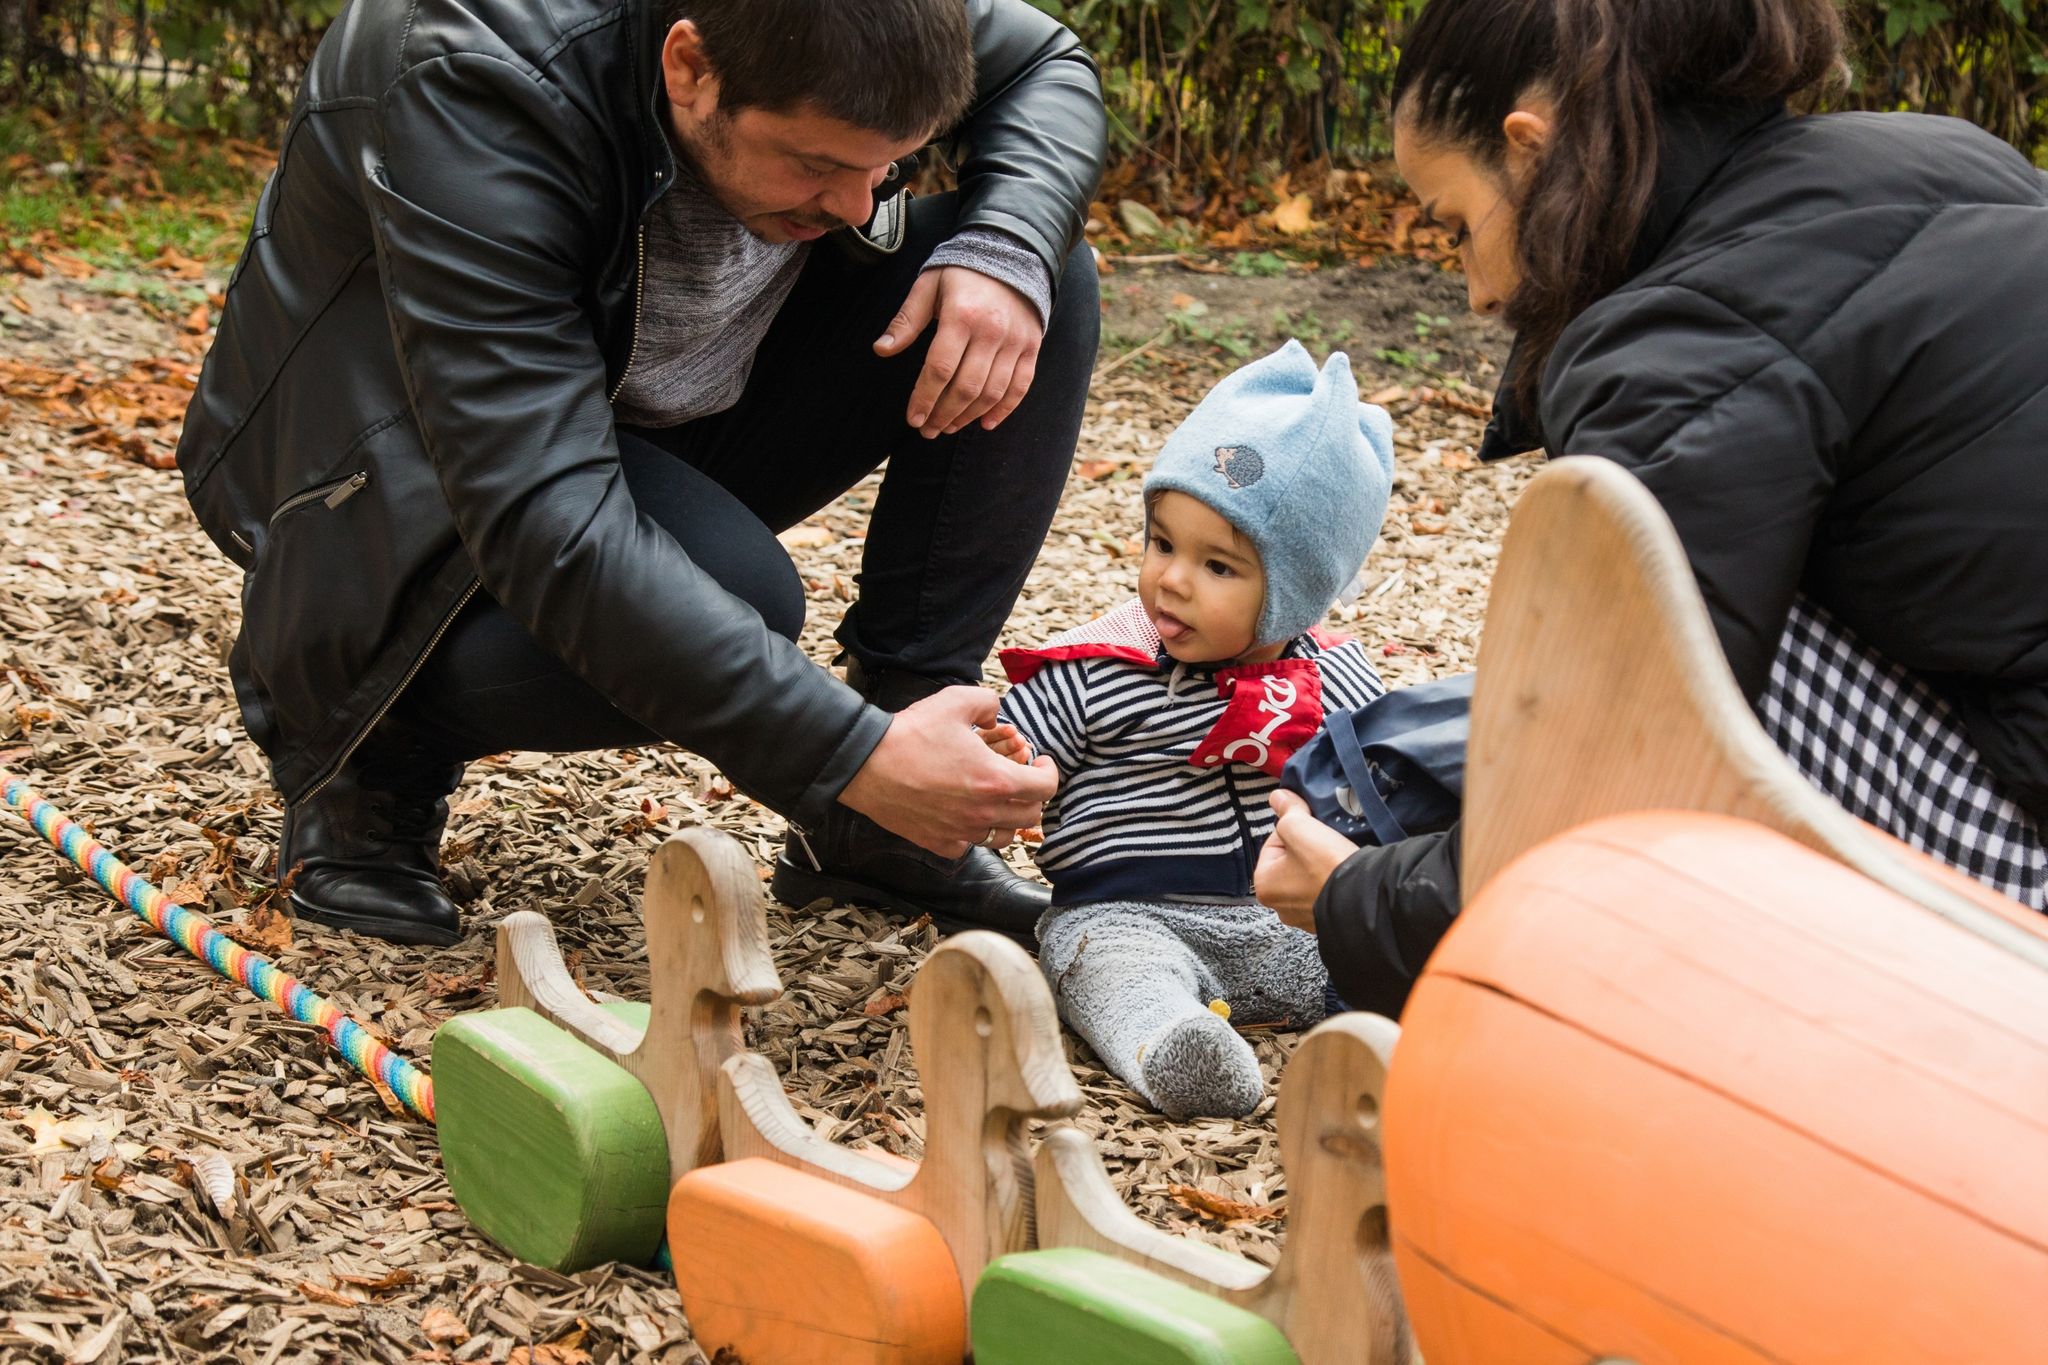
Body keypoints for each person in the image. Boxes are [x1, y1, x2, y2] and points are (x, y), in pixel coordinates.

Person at [176, 0, 1107, 946]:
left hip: (655, 405)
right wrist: (846, 753)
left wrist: (1006, 247)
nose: (858, 208)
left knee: (1036, 283)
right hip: (396, 480)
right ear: (690, 66)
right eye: (818, 165)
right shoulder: (472, 72)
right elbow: (546, 512)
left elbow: (1044, 61)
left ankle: (887, 814)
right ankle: (372, 743)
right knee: (736, 593)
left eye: (886, 169)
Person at [1253, 0, 2048, 1019]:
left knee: (1647, 622)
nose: (1471, 291)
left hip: (2015, 928)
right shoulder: (1942, 157)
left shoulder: (1677, 342)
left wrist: (1353, 899)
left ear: (1527, 152)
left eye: (1454, 226)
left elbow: (1620, 768)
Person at [990, 342, 1395, 1118]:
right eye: (1162, 542)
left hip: (1285, 923)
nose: (1171, 578)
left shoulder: (1336, 677)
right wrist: (1008, 765)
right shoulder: (1099, 666)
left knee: (1380, 951)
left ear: (1296, 595)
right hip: (1131, 913)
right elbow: (1012, 749)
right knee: (1106, 965)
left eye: (1218, 566)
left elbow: (1388, 786)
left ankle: (1410, 1032)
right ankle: (1171, 1046)